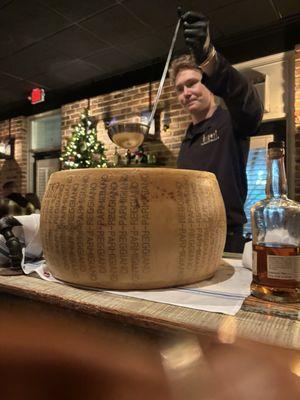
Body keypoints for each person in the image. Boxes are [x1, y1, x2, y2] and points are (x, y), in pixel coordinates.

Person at [170, 11, 264, 253]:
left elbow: (248, 102)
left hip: (226, 238)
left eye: (192, 83)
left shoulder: (232, 121)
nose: (186, 93)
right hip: (188, 236)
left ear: (209, 84)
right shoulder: (188, 138)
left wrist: (208, 58)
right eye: (180, 89)